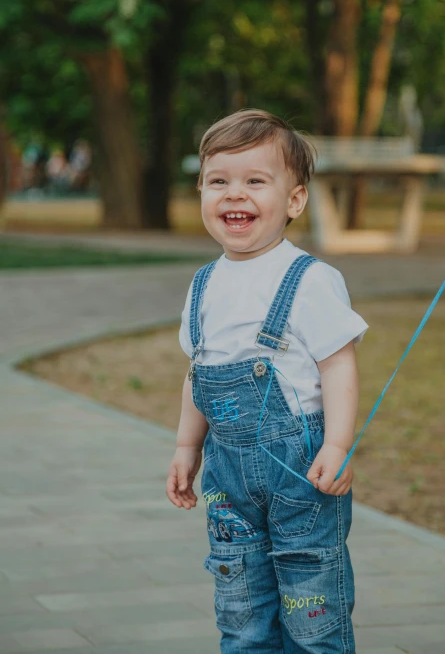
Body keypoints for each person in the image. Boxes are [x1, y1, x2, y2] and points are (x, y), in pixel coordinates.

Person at [166, 109, 369, 653]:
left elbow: (339, 365)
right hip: (228, 482)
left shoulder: (310, 280)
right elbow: (198, 371)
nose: (235, 195)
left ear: (294, 200)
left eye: (255, 181)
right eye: (219, 182)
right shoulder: (204, 284)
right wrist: (188, 445)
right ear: (202, 194)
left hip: (302, 477)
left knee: (311, 610)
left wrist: (339, 443)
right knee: (242, 612)